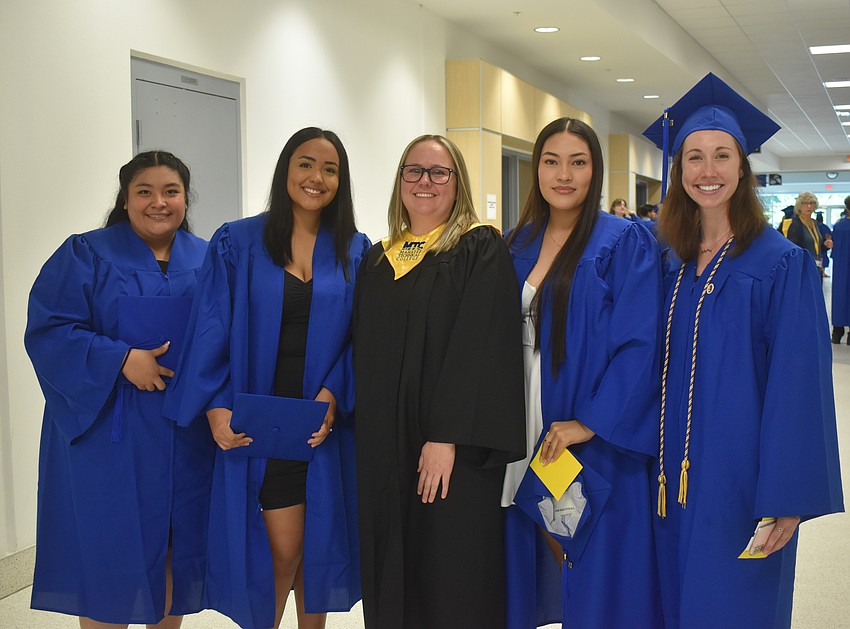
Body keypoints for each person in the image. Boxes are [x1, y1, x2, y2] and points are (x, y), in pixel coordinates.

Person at [643, 72, 844, 628]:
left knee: (734, 608)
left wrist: (786, 496)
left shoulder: (781, 264)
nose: (708, 172)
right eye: (694, 158)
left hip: (742, 482)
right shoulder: (669, 263)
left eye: (722, 156)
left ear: (743, 167)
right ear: (678, 169)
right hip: (666, 483)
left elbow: (799, 388)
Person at [164, 128, 369, 629]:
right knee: (281, 553)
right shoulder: (238, 241)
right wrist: (214, 405)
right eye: (305, 164)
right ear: (285, 171)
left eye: (330, 169)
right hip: (259, 424)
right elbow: (211, 325)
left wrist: (334, 392)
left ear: (341, 182)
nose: (316, 178)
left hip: (320, 424)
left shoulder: (356, 250)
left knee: (313, 553)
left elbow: (365, 339)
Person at [25, 151, 214, 628]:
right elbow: (49, 331)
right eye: (144, 192)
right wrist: (120, 359)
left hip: (184, 434)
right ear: (125, 199)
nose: (158, 202)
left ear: (185, 199)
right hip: (111, 433)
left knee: (174, 546)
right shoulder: (86, 253)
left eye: (170, 192)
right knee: (109, 554)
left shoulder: (209, 258)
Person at [352, 134, 526, 628]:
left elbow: (481, 347)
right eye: (414, 171)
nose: (424, 182)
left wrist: (445, 436)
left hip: (450, 449)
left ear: (458, 184)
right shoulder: (379, 258)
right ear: (400, 181)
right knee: (391, 563)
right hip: (386, 448)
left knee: (449, 569)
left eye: (438, 172)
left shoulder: (478, 248)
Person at [501, 118, 664, 628]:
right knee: (531, 535)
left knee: (583, 547)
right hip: (518, 414)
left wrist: (589, 422)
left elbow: (639, 344)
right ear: (537, 169)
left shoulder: (624, 241)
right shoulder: (514, 241)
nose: (564, 174)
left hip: (579, 422)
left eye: (578, 162)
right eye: (552, 161)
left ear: (595, 171)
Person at [785, 191, 833, 280]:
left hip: (817, 266)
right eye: (805, 203)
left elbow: (816, 247)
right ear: (799, 205)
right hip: (802, 267)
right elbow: (792, 249)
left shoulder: (815, 223)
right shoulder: (795, 224)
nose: (809, 206)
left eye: (812, 203)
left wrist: (826, 246)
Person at [831, 196, 850, 343]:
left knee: (839, 296)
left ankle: (837, 333)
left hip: (841, 267)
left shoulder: (839, 226)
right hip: (843, 265)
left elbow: (834, 250)